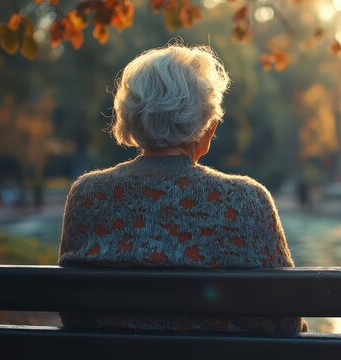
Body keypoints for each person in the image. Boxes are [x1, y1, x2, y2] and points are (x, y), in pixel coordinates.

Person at [58, 43, 305, 334]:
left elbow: (72, 313)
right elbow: (285, 321)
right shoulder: (247, 200)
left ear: (130, 117)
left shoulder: (89, 194)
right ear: (207, 125)